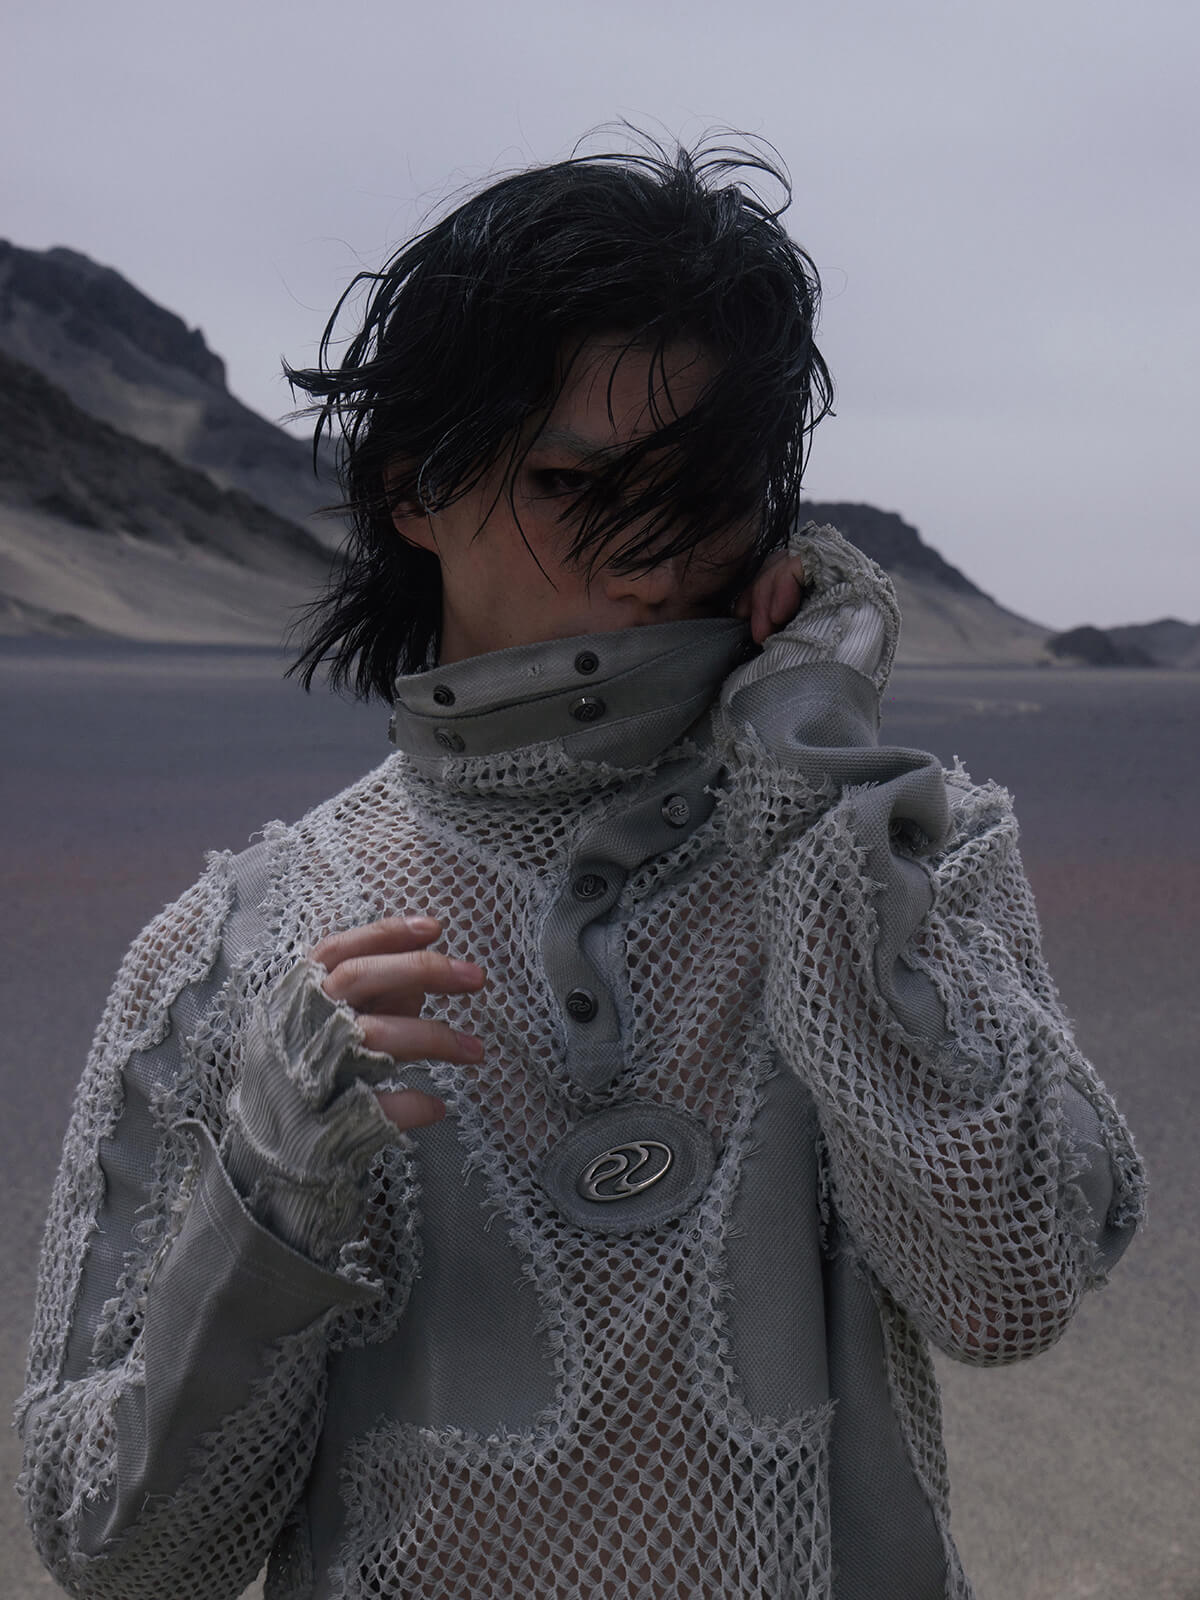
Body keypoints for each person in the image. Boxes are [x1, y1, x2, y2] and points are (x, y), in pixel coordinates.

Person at [18, 137, 1143, 1600]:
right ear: (414, 487)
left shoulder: (904, 855)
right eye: (571, 484)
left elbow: (1008, 1291)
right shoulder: (234, 951)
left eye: (705, 496)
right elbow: (119, 1556)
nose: (650, 568)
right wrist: (266, 1200)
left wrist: (812, 786)